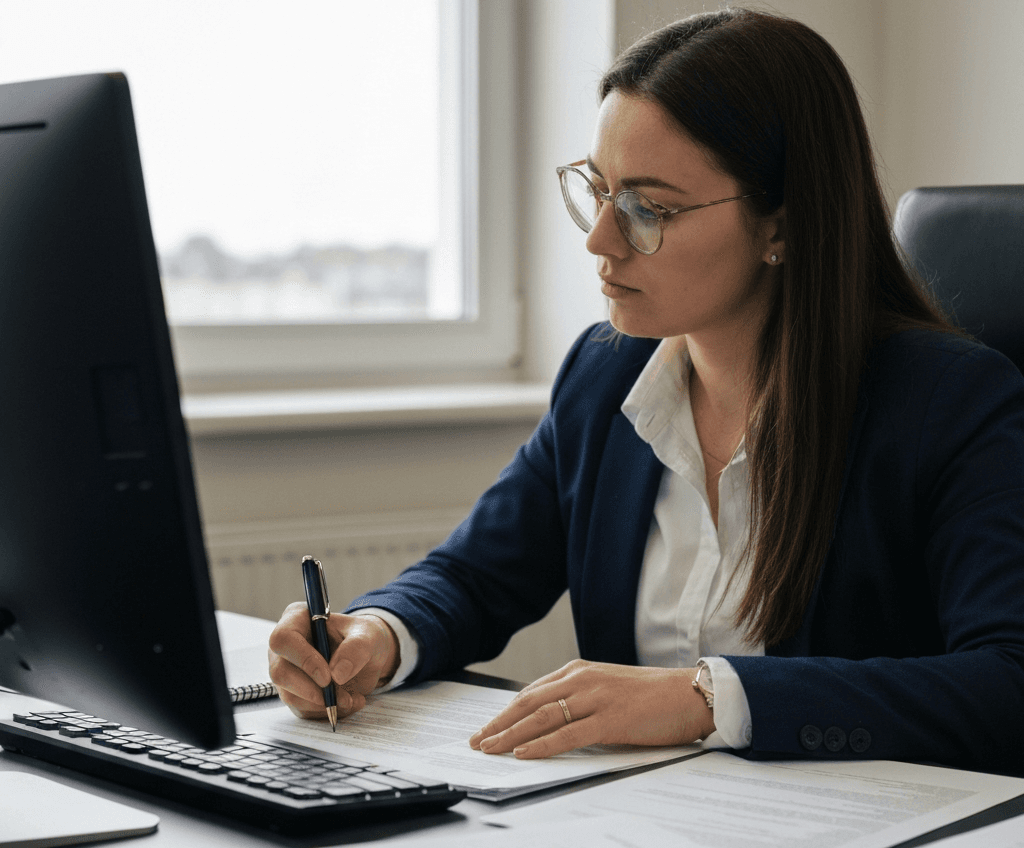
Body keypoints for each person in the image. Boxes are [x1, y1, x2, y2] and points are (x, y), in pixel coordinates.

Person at [269, 8, 1024, 777]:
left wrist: (705, 698)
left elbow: (1009, 682)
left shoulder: (950, 402)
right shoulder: (606, 376)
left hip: (860, 847)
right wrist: (377, 632)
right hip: (643, 830)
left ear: (783, 229)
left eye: (647, 209)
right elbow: (474, 575)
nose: (599, 239)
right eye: (598, 190)